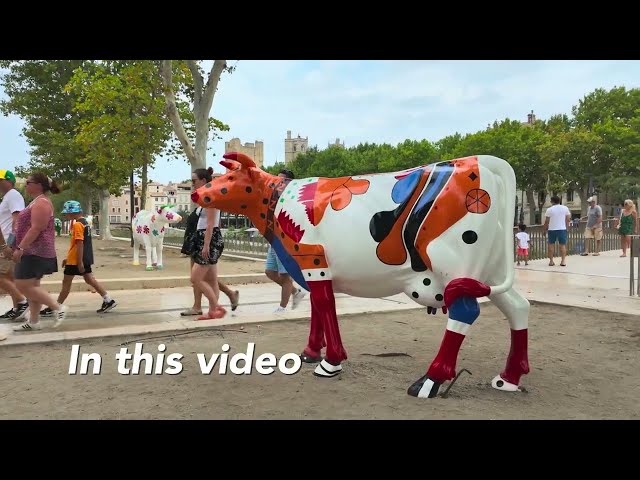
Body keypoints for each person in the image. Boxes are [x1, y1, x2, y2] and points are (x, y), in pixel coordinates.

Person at [40, 200, 116, 317]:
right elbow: (81, 244)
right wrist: (72, 258)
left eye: (67, 213)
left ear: (72, 213)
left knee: (66, 284)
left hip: (75, 260)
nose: (66, 215)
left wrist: (78, 261)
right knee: (90, 280)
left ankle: (55, 307)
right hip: (82, 258)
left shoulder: (77, 225)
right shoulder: (85, 223)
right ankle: (108, 300)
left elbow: (79, 243)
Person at [12, 173, 68, 331]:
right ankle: (34, 321)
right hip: (32, 250)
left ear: (39, 185)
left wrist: (20, 248)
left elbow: (37, 228)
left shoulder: (41, 203)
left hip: (36, 251)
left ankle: (58, 307)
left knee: (22, 284)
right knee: (32, 285)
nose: (26, 184)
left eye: (29, 182)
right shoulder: (36, 202)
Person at [184, 167, 228, 320]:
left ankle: (216, 307)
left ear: (203, 180)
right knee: (211, 279)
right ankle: (212, 311)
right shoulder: (205, 197)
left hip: (208, 238)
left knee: (195, 278)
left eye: (194, 180)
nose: (192, 183)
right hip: (205, 237)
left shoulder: (210, 196)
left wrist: (206, 245)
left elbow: (210, 224)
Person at [265, 168, 306, 314]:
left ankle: (282, 307)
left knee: (284, 275)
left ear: (289, 182)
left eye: (281, 180)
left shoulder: (292, 200)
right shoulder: (274, 199)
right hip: (274, 241)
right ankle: (295, 292)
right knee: (270, 271)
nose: (278, 183)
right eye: (277, 180)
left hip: (285, 241)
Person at [0, 169, 29, 321]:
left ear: (9, 181)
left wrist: (9, 245)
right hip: (4, 242)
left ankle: (23, 302)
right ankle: (17, 307)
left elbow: (17, 221)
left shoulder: (13, 195)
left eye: (0, 180)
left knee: (1, 276)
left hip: (6, 243)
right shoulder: (6, 198)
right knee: (9, 278)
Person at [543, 195, 571, 267]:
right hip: (562, 229)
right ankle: (563, 261)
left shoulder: (549, 209)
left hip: (552, 229)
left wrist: (544, 229)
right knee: (562, 245)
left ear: (552, 201)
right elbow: (568, 219)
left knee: (551, 245)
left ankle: (551, 261)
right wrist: (567, 227)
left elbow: (547, 221)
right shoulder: (565, 208)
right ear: (559, 201)